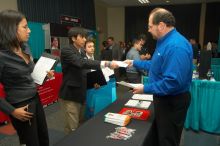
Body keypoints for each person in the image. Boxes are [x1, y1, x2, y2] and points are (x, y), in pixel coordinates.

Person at [124, 8, 192, 146]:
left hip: (172, 101)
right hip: (164, 98)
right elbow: (156, 65)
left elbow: (172, 83)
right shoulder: (164, 42)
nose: (148, 30)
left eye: (150, 26)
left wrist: (145, 88)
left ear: (161, 25)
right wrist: (134, 62)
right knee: (160, 136)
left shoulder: (176, 46)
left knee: (168, 140)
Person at [0, 10, 54, 146]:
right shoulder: (1, 56)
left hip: (35, 99)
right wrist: (12, 111)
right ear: (10, 29)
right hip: (20, 106)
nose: (29, 31)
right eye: (25, 27)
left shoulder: (25, 47)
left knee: (43, 138)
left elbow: (30, 76)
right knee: (30, 142)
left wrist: (45, 76)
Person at [59, 27, 117, 134]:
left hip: (82, 94)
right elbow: (81, 63)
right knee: (72, 128)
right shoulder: (67, 50)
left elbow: (85, 71)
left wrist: (93, 82)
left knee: (81, 123)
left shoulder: (80, 52)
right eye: (82, 37)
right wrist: (106, 63)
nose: (85, 39)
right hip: (71, 95)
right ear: (73, 38)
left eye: (85, 37)